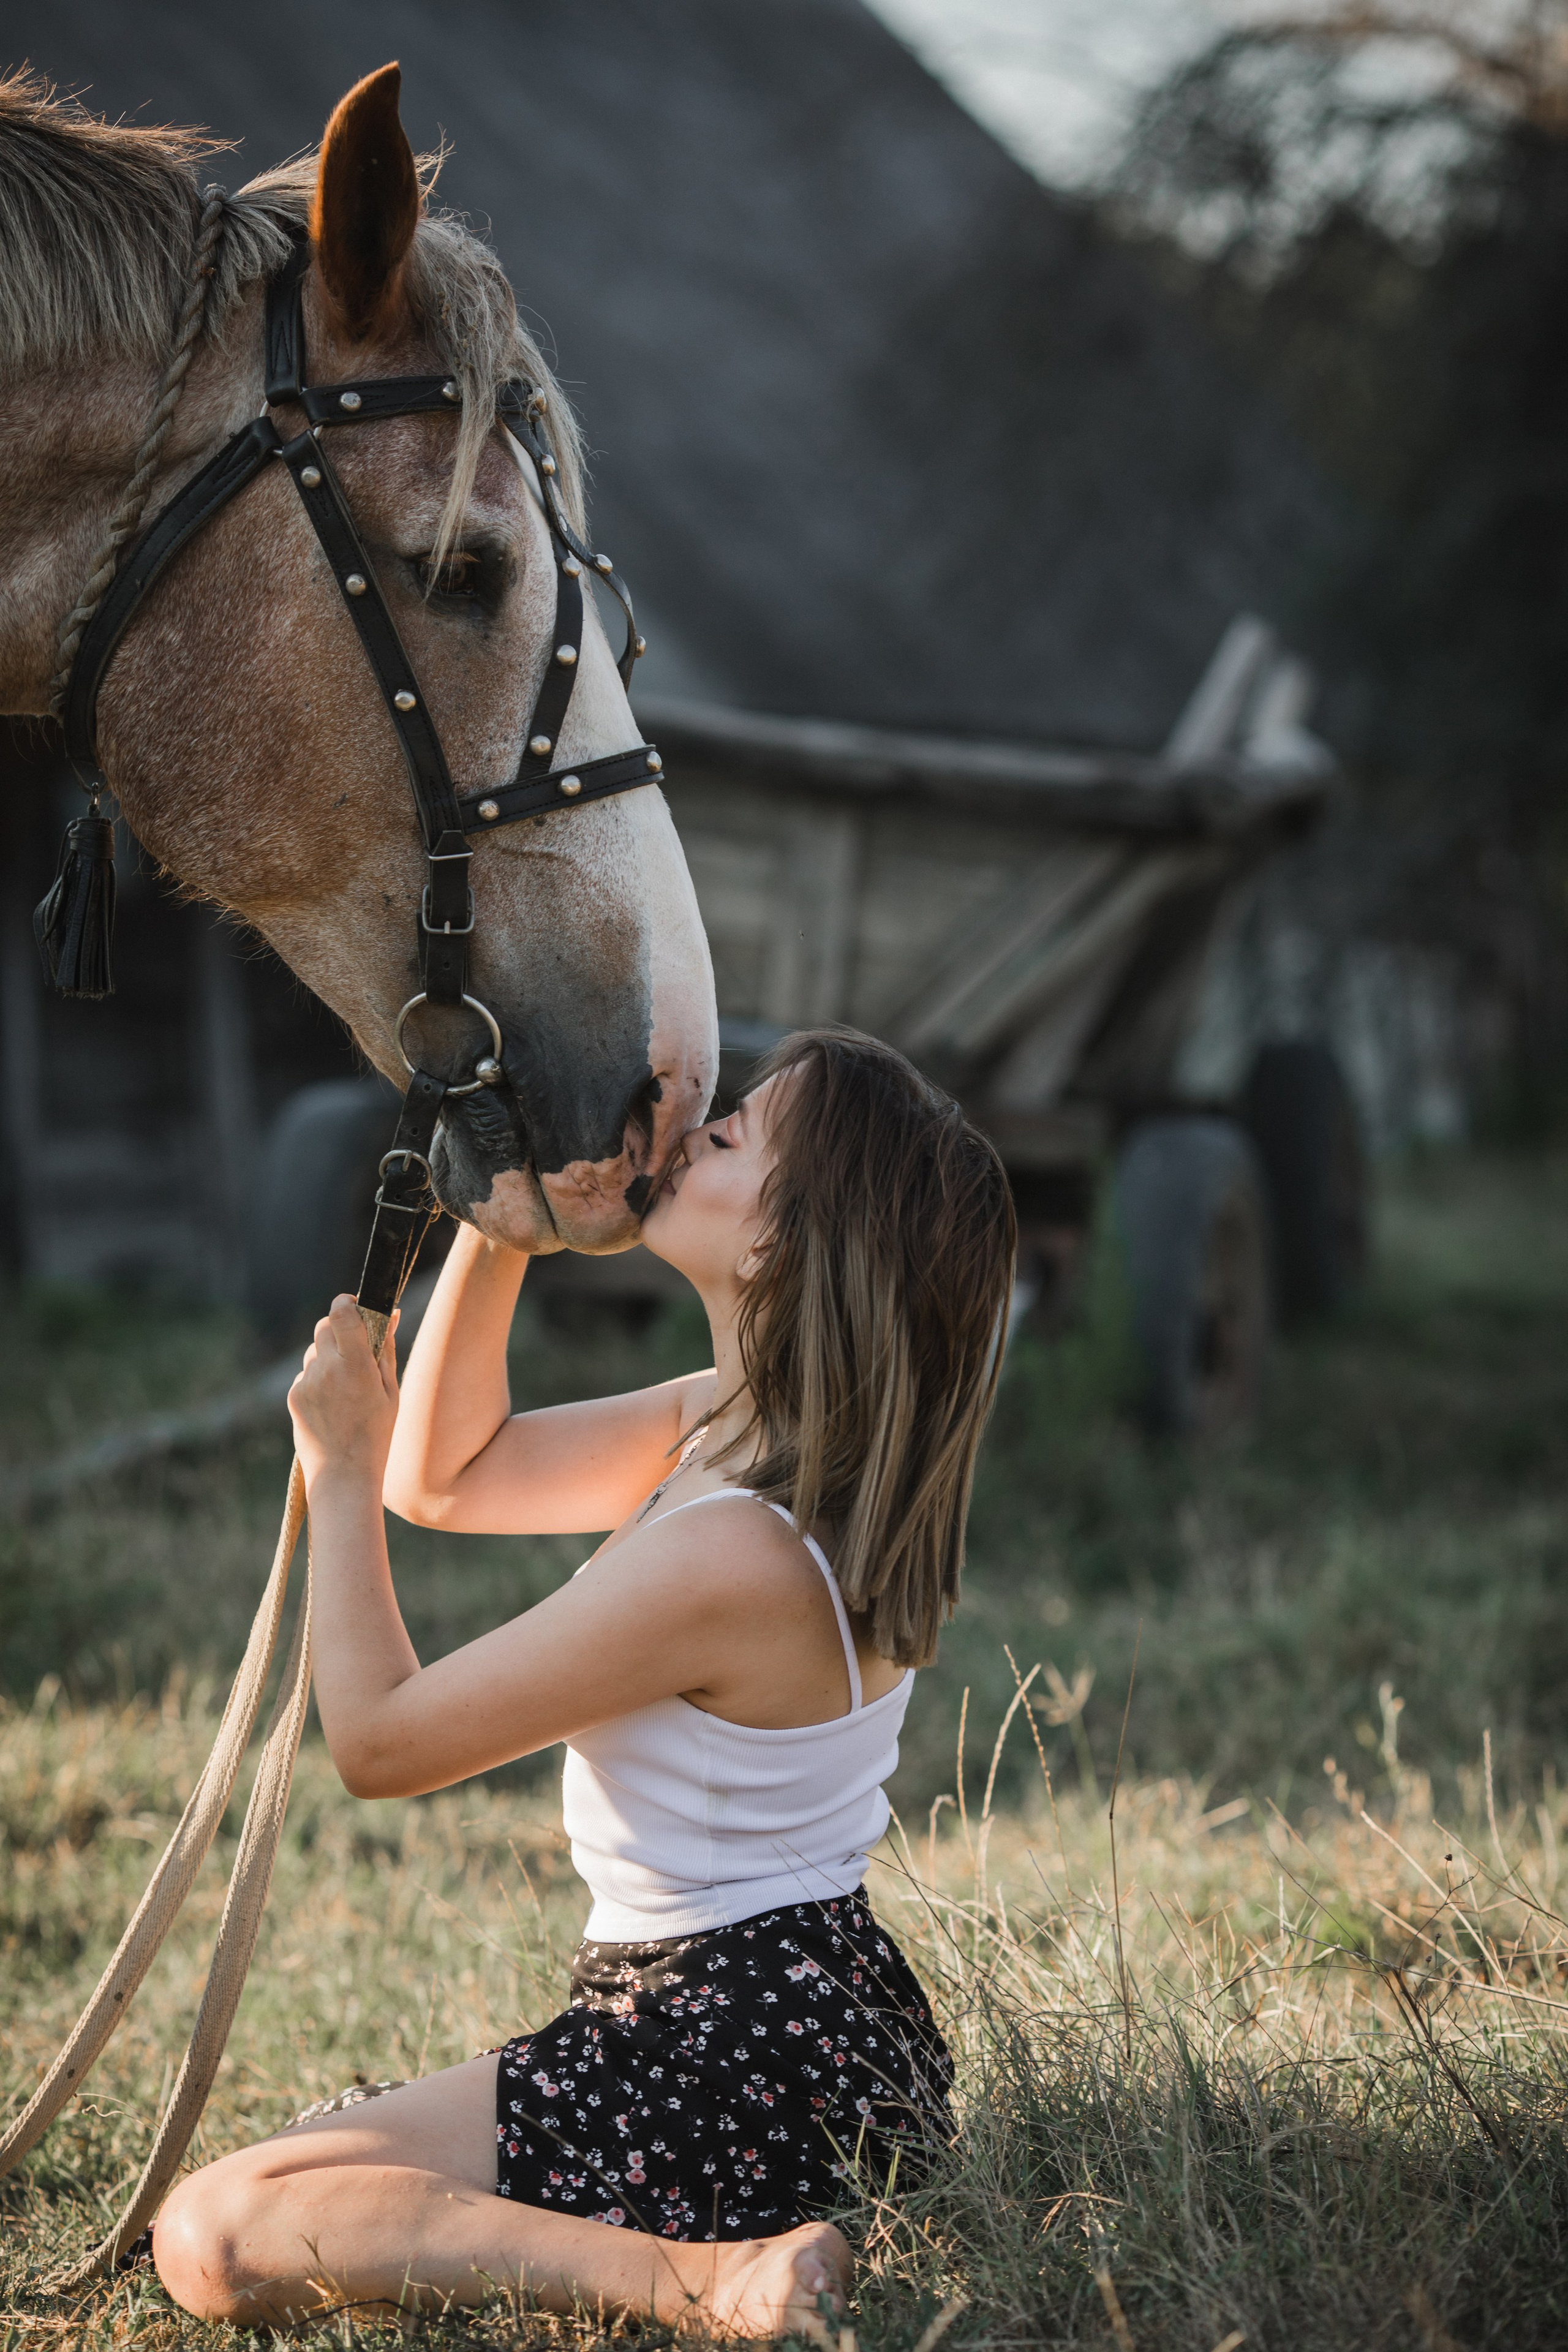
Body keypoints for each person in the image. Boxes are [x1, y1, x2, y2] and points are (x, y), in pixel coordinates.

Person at [153, 1028, 1016, 2336]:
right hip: (794, 2021)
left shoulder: (738, 1547)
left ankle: (715, 2282)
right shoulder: (733, 1429)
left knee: (218, 2235)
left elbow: (380, 1744)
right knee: (298, 2174)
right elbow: (451, 1469)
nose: (693, 1131)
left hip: (728, 2048)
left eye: (733, 1136)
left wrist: (334, 1468)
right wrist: (515, 1220)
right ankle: (737, 2249)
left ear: (785, 1244)